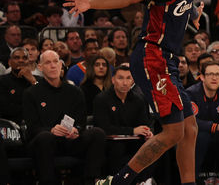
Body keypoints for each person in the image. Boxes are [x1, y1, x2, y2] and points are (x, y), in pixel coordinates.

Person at [64, 0, 204, 185]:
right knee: (173, 132)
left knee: (190, 127)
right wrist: (91, 3)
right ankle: (118, 181)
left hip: (168, 61)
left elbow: (186, 2)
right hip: (153, 56)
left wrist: (194, 13)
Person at [22, 50, 107, 185]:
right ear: (40, 66)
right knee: (45, 137)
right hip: (44, 143)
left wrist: (76, 130)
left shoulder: (75, 92)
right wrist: (51, 130)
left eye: (56, 62)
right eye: (48, 63)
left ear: (61, 65)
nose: (53, 66)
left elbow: (81, 123)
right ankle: (48, 182)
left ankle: (91, 181)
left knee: (97, 133)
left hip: (69, 141)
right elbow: (33, 128)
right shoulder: (31, 93)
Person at [93, 65, 156, 182]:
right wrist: (132, 131)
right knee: (118, 148)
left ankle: (144, 181)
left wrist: (147, 133)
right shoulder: (102, 99)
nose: (125, 82)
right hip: (110, 142)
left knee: (152, 146)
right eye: (121, 78)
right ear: (113, 80)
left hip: (134, 140)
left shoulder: (139, 99)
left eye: (128, 78)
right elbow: (104, 128)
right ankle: (116, 181)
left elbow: (144, 123)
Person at [0, 47, 39, 125]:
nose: (21, 60)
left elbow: (44, 103)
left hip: (36, 124)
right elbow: (5, 108)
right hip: (10, 125)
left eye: (24, 58)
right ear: (9, 62)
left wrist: (33, 81)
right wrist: (32, 107)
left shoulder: (38, 80)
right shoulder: (2, 81)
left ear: (28, 62)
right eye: (17, 58)